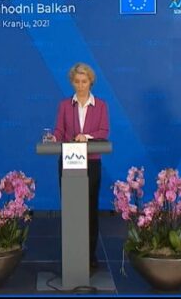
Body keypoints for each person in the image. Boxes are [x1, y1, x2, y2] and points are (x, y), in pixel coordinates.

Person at [50, 62, 109, 268]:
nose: (81, 85)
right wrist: (53, 138)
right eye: (77, 81)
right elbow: (59, 130)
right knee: (70, 211)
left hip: (91, 164)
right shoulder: (65, 105)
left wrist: (87, 137)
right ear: (72, 82)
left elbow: (103, 131)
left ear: (91, 82)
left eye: (84, 81)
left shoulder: (101, 105)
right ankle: (71, 256)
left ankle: (90, 256)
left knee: (90, 209)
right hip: (68, 163)